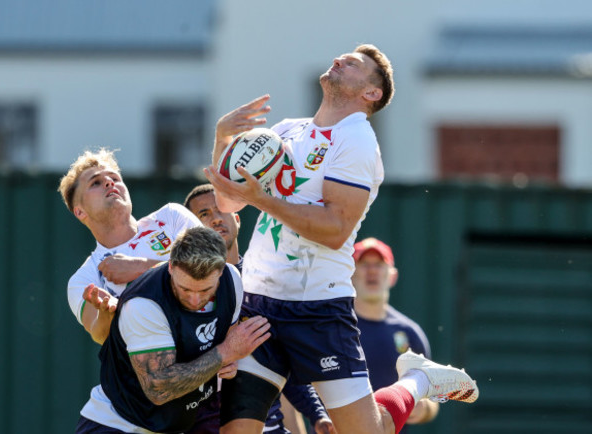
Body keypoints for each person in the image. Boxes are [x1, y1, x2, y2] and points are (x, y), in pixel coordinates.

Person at [204, 43, 478, 434]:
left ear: (372, 93)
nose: (338, 59)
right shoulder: (284, 131)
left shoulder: (356, 139)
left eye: (352, 63)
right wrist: (222, 140)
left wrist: (262, 199)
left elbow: (334, 230)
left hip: (317, 306)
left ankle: (418, 380)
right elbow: (227, 201)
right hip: (258, 301)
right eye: (341, 57)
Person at [74, 226, 272, 433]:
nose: (195, 300)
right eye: (185, 289)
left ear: (221, 271)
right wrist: (225, 354)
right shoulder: (144, 305)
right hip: (120, 423)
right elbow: (159, 390)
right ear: (170, 267)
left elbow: (225, 345)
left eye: (205, 290)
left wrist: (228, 363)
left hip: (180, 422)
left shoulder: (232, 281)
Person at [184, 183, 335, 434]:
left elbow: (282, 360)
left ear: (237, 218)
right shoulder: (180, 290)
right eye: (204, 214)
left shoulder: (265, 285)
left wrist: (318, 415)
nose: (215, 218)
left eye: (221, 209)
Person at [58, 148, 201, 344]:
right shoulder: (84, 279)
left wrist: (141, 268)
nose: (109, 183)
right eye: (95, 183)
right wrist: (106, 313)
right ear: (80, 212)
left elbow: (215, 265)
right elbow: (100, 335)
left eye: (115, 178)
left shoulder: (172, 217)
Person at [352, 238, 439, 432]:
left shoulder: (410, 333)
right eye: (364, 264)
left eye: (379, 265)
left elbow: (433, 400)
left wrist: (423, 409)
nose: (372, 271)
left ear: (393, 276)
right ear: (350, 274)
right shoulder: (334, 329)